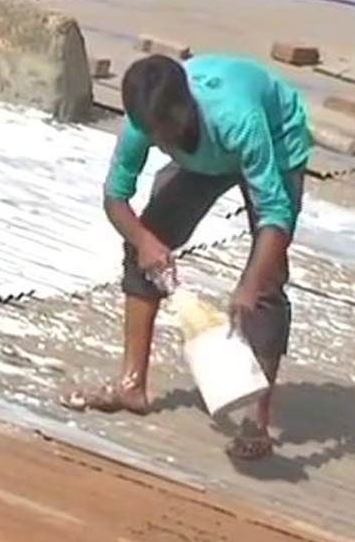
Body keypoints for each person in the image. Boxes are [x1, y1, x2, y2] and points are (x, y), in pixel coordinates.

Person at [61, 52, 310, 460]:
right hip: (206, 157)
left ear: (184, 108)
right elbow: (115, 197)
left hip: (276, 141)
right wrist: (145, 242)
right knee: (144, 244)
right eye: (151, 134)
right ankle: (132, 385)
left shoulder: (238, 119)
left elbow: (275, 215)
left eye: (164, 131)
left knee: (266, 281)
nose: (158, 143)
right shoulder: (145, 121)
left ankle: (257, 421)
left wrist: (248, 285)